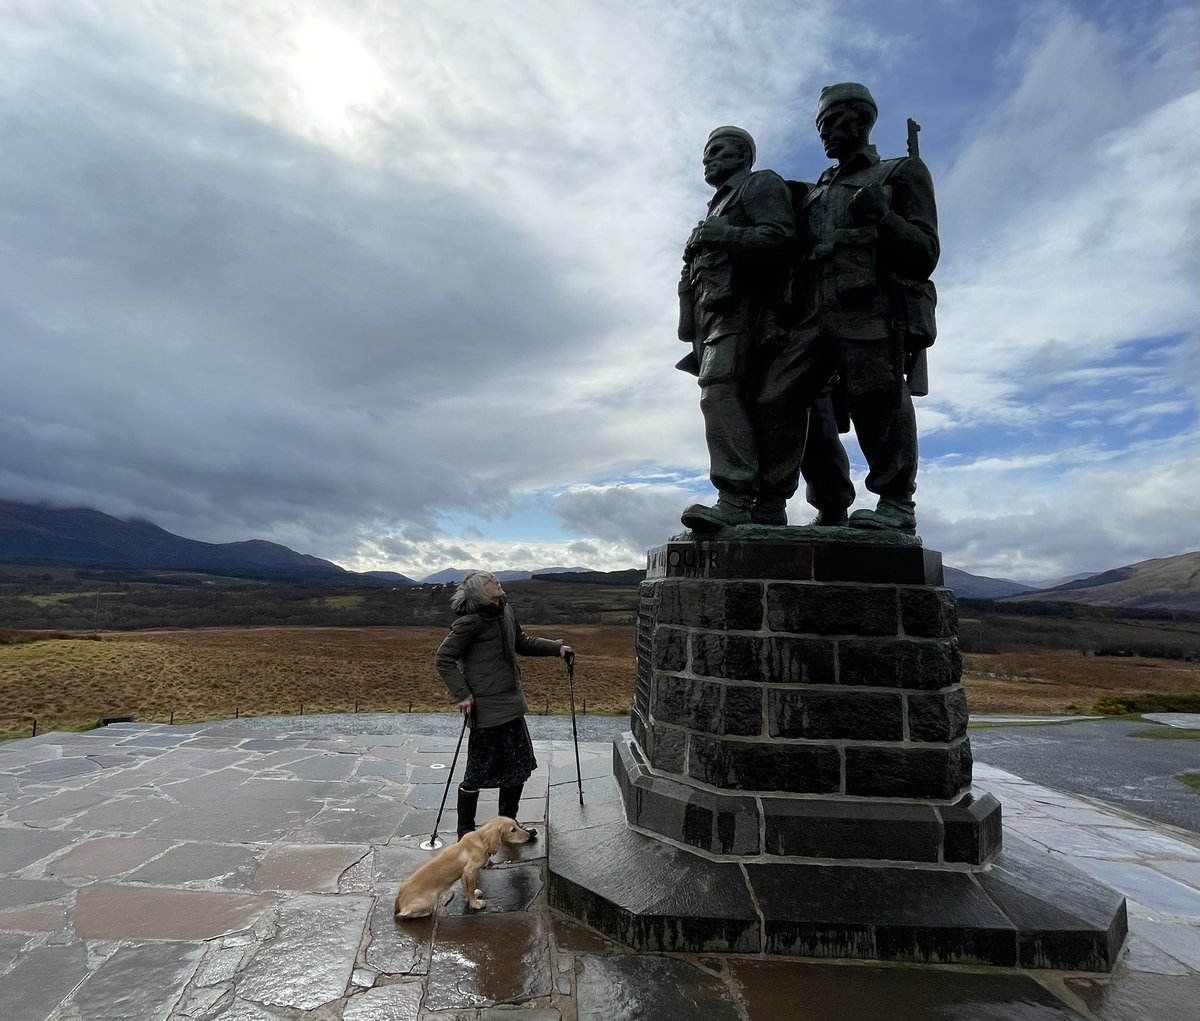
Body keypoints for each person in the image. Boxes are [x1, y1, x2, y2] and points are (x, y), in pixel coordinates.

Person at [777, 82, 939, 534]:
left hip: (867, 306)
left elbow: (926, 251)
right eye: (819, 126)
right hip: (810, 313)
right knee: (781, 397)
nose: (823, 134)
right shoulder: (815, 192)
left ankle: (895, 503)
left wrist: (884, 219)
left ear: (861, 119)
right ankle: (818, 503)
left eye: (830, 123)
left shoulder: (900, 173)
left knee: (878, 399)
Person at [676, 125, 802, 529]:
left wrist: (725, 234)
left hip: (751, 315)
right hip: (713, 320)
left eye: (717, 151)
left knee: (721, 393)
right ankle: (765, 506)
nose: (708, 159)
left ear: (742, 154)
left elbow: (782, 238)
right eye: (705, 153)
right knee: (744, 402)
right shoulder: (715, 207)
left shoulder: (759, 185)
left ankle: (735, 497)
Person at [434, 571, 573, 840]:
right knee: (476, 773)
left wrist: (556, 648)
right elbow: (443, 659)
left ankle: (509, 826)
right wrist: (462, 694)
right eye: (489, 581)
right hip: (486, 709)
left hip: (512, 704)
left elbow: (521, 642)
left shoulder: (506, 610)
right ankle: (466, 832)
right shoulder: (470, 622)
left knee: (517, 768)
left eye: (495, 579)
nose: (496, 582)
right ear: (478, 591)